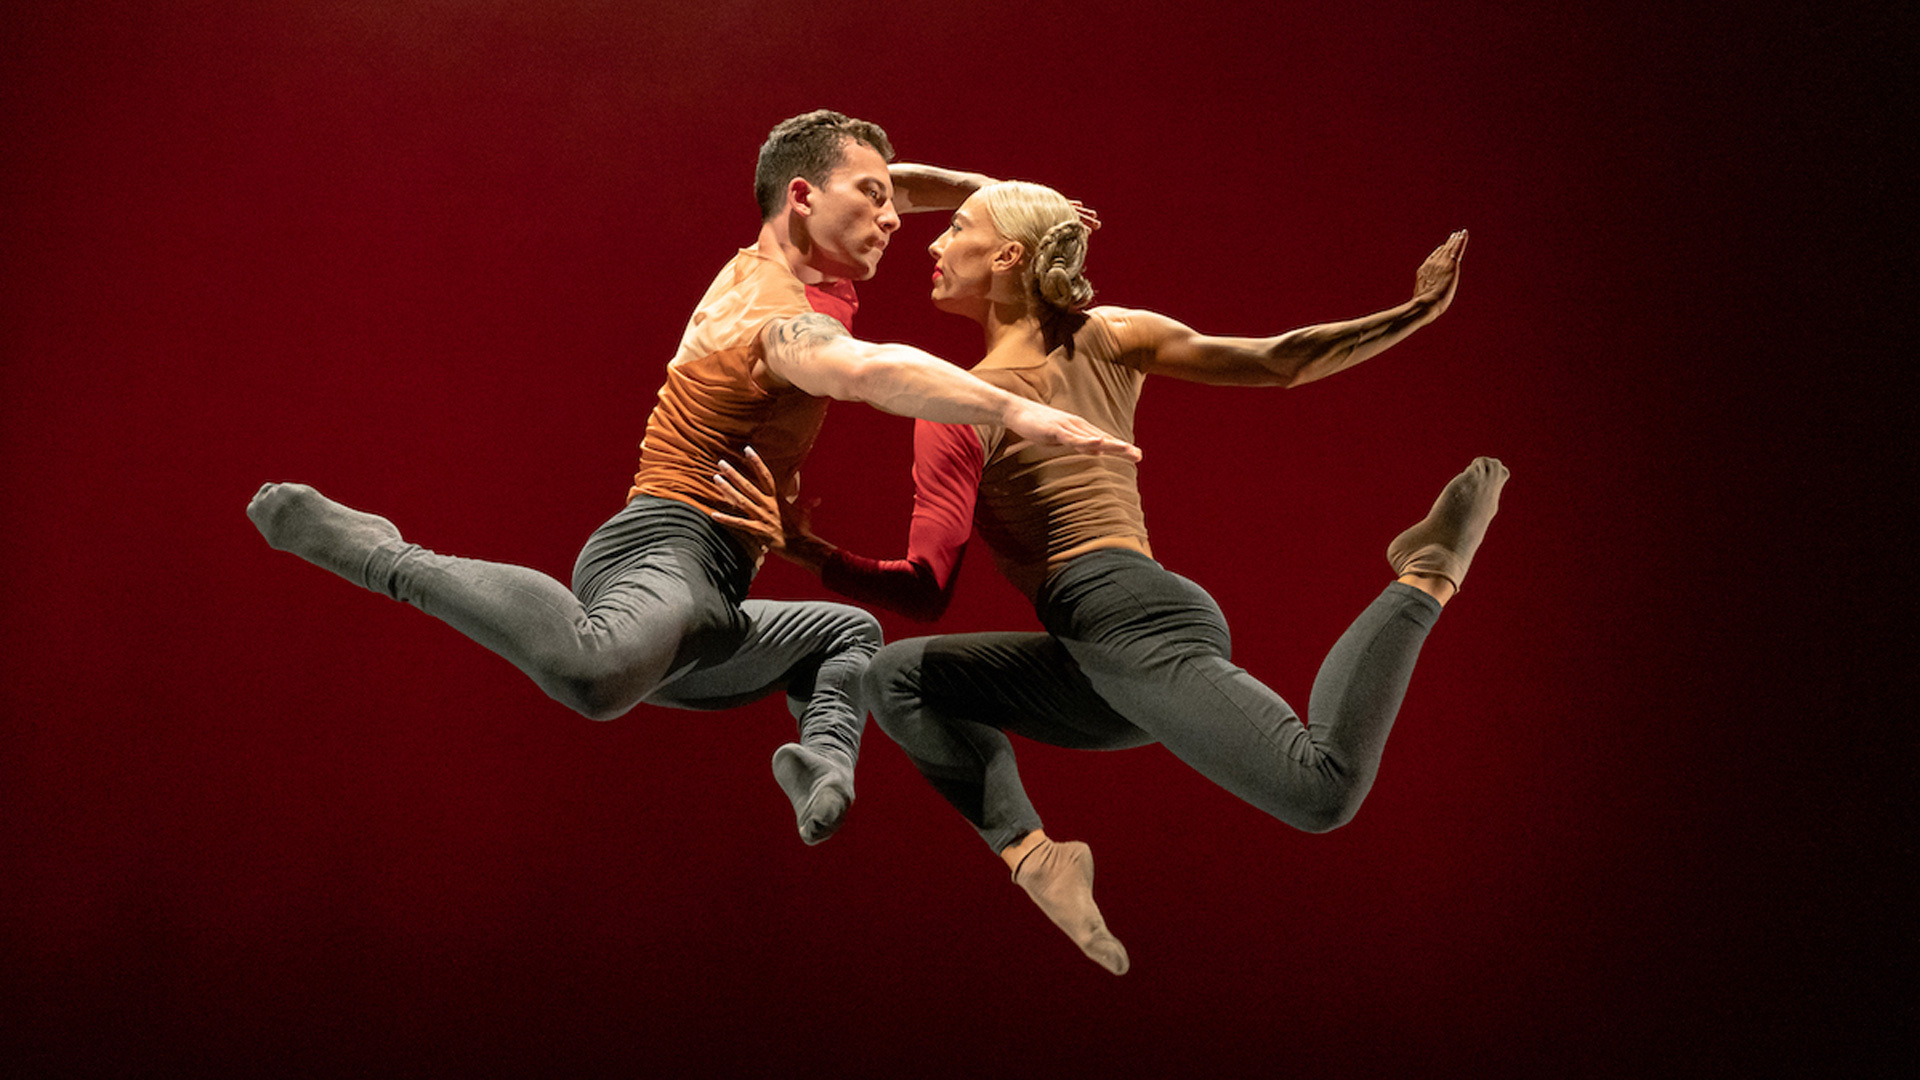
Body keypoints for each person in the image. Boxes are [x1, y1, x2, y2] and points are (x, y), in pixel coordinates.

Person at [246, 112, 1139, 848]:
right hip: (663, 550)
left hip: (714, 600)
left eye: (890, 196)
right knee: (594, 674)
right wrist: (1015, 409)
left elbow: (896, 185)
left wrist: (995, 193)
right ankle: (380, 554)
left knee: (847, 635)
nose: (896, 215)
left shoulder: (800, 248)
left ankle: (824, 764)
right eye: (870, 197)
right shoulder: (770, 316)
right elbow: (868, 372)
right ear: (803, 197)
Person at [714, 180, 1506, 973]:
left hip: (1126, 620)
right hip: (1099, 650)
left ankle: (1426, 574)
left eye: (955, 228)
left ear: (1008, 255)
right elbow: (1281, 363)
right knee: (897, 678)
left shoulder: (965, 406)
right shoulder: (1106, 335)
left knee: (1320, 790)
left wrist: (807, 548)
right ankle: (1036, 857)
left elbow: (925, 589)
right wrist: (1411, 314)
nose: (933, 242)